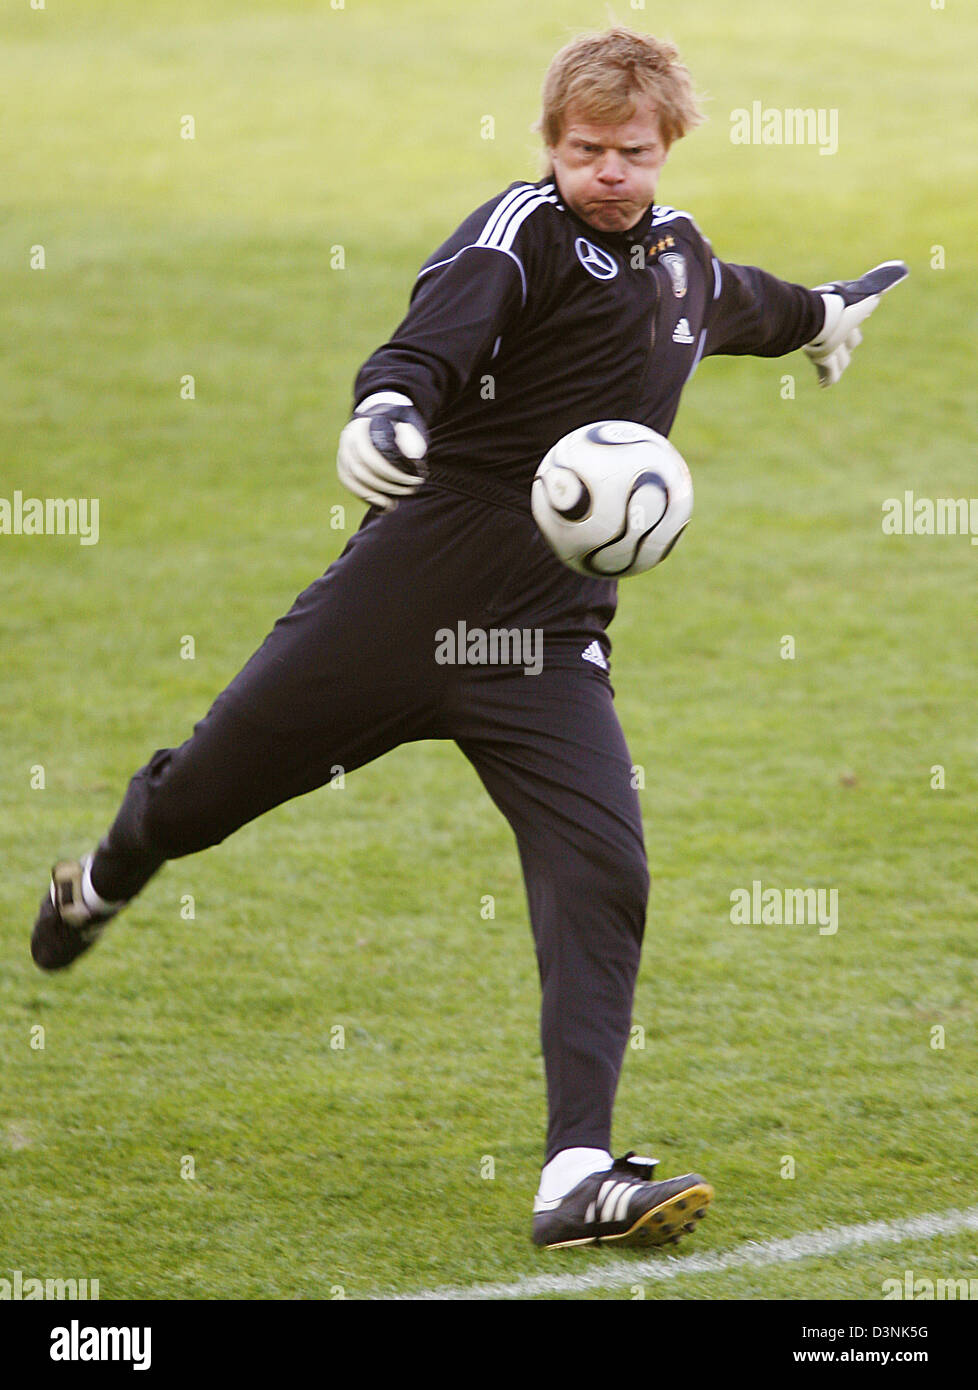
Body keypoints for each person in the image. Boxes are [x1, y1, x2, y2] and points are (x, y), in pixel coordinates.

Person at [30, 26, 906, 1251]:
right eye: (586, 148)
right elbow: (425, 346)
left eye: (633, 152)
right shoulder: (518, 236)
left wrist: (826, 316)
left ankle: (576, 1173)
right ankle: (108, 871)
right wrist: (386, 410)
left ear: (670, 150)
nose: (608, 170)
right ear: (549, 144)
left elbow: (747, 304)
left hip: (546, 647)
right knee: (203, 796)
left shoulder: (679, 260)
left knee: (604, 870)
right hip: (397, 610)